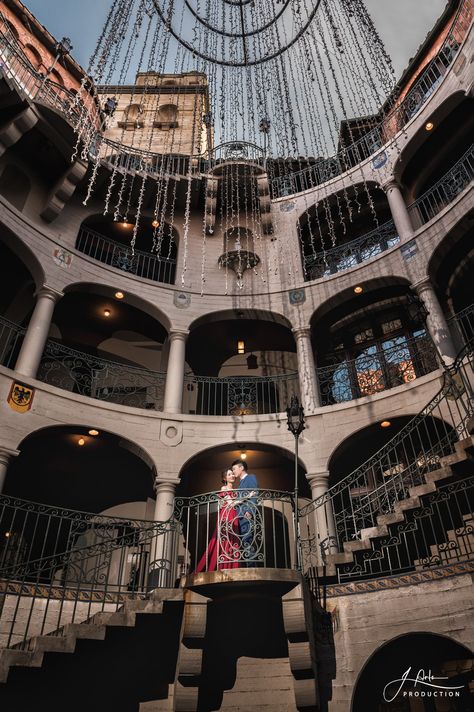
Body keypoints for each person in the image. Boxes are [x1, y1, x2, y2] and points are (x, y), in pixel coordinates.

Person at [194, 469, 240, 572]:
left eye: (232, 473)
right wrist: (246, 498)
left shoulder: (235, 490)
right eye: (229, 474)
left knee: (234, 540)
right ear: (225, 478)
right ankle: (222, 566)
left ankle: (233, 567)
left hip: (234, 516)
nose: (232, 475)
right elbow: (231, 504)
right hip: (226, 516)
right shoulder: (224, 488)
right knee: (224, 539)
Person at [231, 459, 260, 567]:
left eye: (234, 468)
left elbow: (254, 494)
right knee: (244, 542)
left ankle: (252, 567)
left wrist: (250, 511)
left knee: (247, 540)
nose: (233, 471)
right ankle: (249, 566)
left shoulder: (250, 478)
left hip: (245, 514)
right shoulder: (240, 483)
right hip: (239, 516)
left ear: (241, 468)